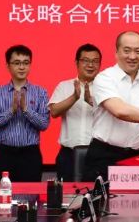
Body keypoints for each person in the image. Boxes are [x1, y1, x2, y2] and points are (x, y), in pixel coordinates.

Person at [83, 31, 139, 180]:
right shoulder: (104, 78)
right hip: (105, 156)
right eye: (127, 51)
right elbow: (120, 111)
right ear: (116, 52)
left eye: (137, 51)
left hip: (138, 157)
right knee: (100, 196)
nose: (132, 56)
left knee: (138, 196)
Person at [0, 45, 50, 182]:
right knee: (1, 194)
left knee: (30, 195)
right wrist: (11, 111)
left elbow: (44, 124)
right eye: (17, 63)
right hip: (3, 154)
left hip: (30, 155)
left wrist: (26, 109)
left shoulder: (41, 92)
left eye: (26, 63)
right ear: (8, 66)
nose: (22, 67)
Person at [48, 43, 102, 181]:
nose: (90, 65)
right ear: (77, 63)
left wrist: (92, 102)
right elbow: (54, 112)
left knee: (97, 192)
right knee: (67, 192)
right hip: (68, 155)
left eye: (95, 61)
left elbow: (113, 114)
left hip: (96, 154)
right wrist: (74, 97)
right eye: (86, 60)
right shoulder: (64, 86)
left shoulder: (105, 88)